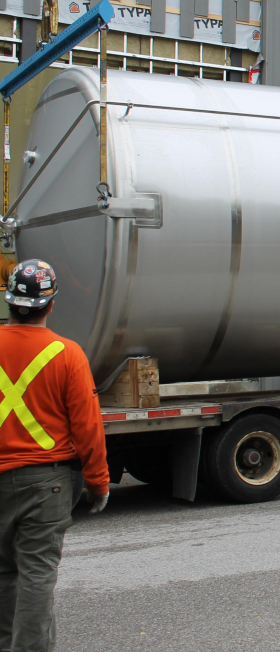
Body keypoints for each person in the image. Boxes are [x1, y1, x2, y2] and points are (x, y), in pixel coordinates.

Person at [0, 259, 108, 652]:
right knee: (36, 575)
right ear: (50, 304)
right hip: (47, 484)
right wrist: (98, 483)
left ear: (9, 301)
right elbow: (87, 427)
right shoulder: (67, 354)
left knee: (2, 572)